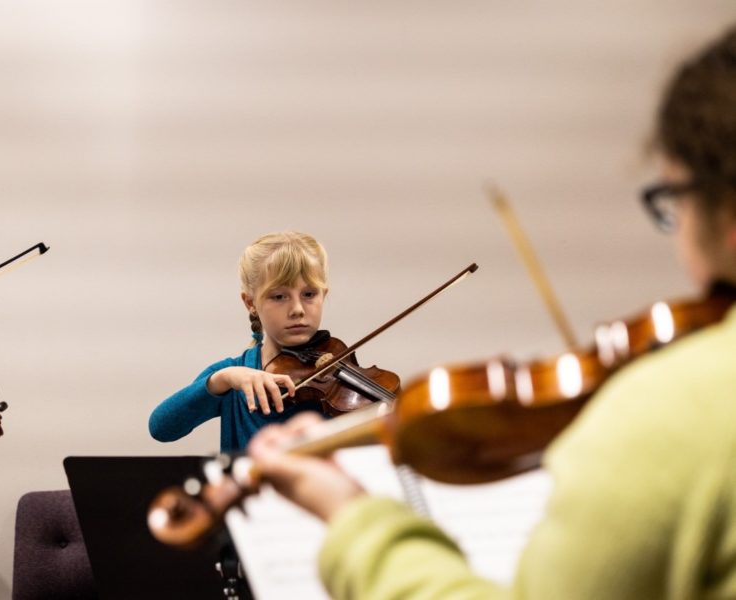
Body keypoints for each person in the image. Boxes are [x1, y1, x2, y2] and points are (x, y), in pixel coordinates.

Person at [247, 25, 736, 599]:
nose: (298, 310)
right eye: (279, 297)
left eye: (673, 202)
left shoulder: (674, 411)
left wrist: (352, 517)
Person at [149, 231, 331, 451]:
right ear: (250, 303)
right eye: (279, 296)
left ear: (324, 295)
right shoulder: (233, 374)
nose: (297, 310)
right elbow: (161, 428)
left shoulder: (333, 378)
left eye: (309, 294)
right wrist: (222, 380)